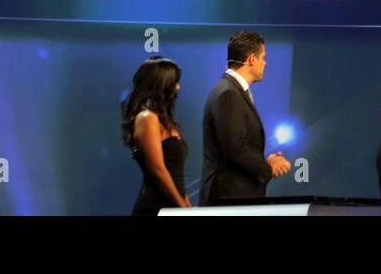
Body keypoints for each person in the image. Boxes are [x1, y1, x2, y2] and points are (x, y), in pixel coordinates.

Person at [200, 30, 291, 205]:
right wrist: (268, 167)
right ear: (251, 59)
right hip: (228, 199)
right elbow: (234, 149)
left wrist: (266, 160)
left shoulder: (231, 90)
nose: (265, 63)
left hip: (233, 197)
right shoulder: (228, 93)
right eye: (263, 58)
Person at [122, 56, 190, 215]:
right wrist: (181, 205)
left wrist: (184, 201)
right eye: (175, 82)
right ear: (162, 84)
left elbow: (173, 172)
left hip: (172, 204)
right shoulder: (147, 118)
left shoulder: (163, 119)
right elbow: (157, 169)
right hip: (155, 207)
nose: (178, 87)